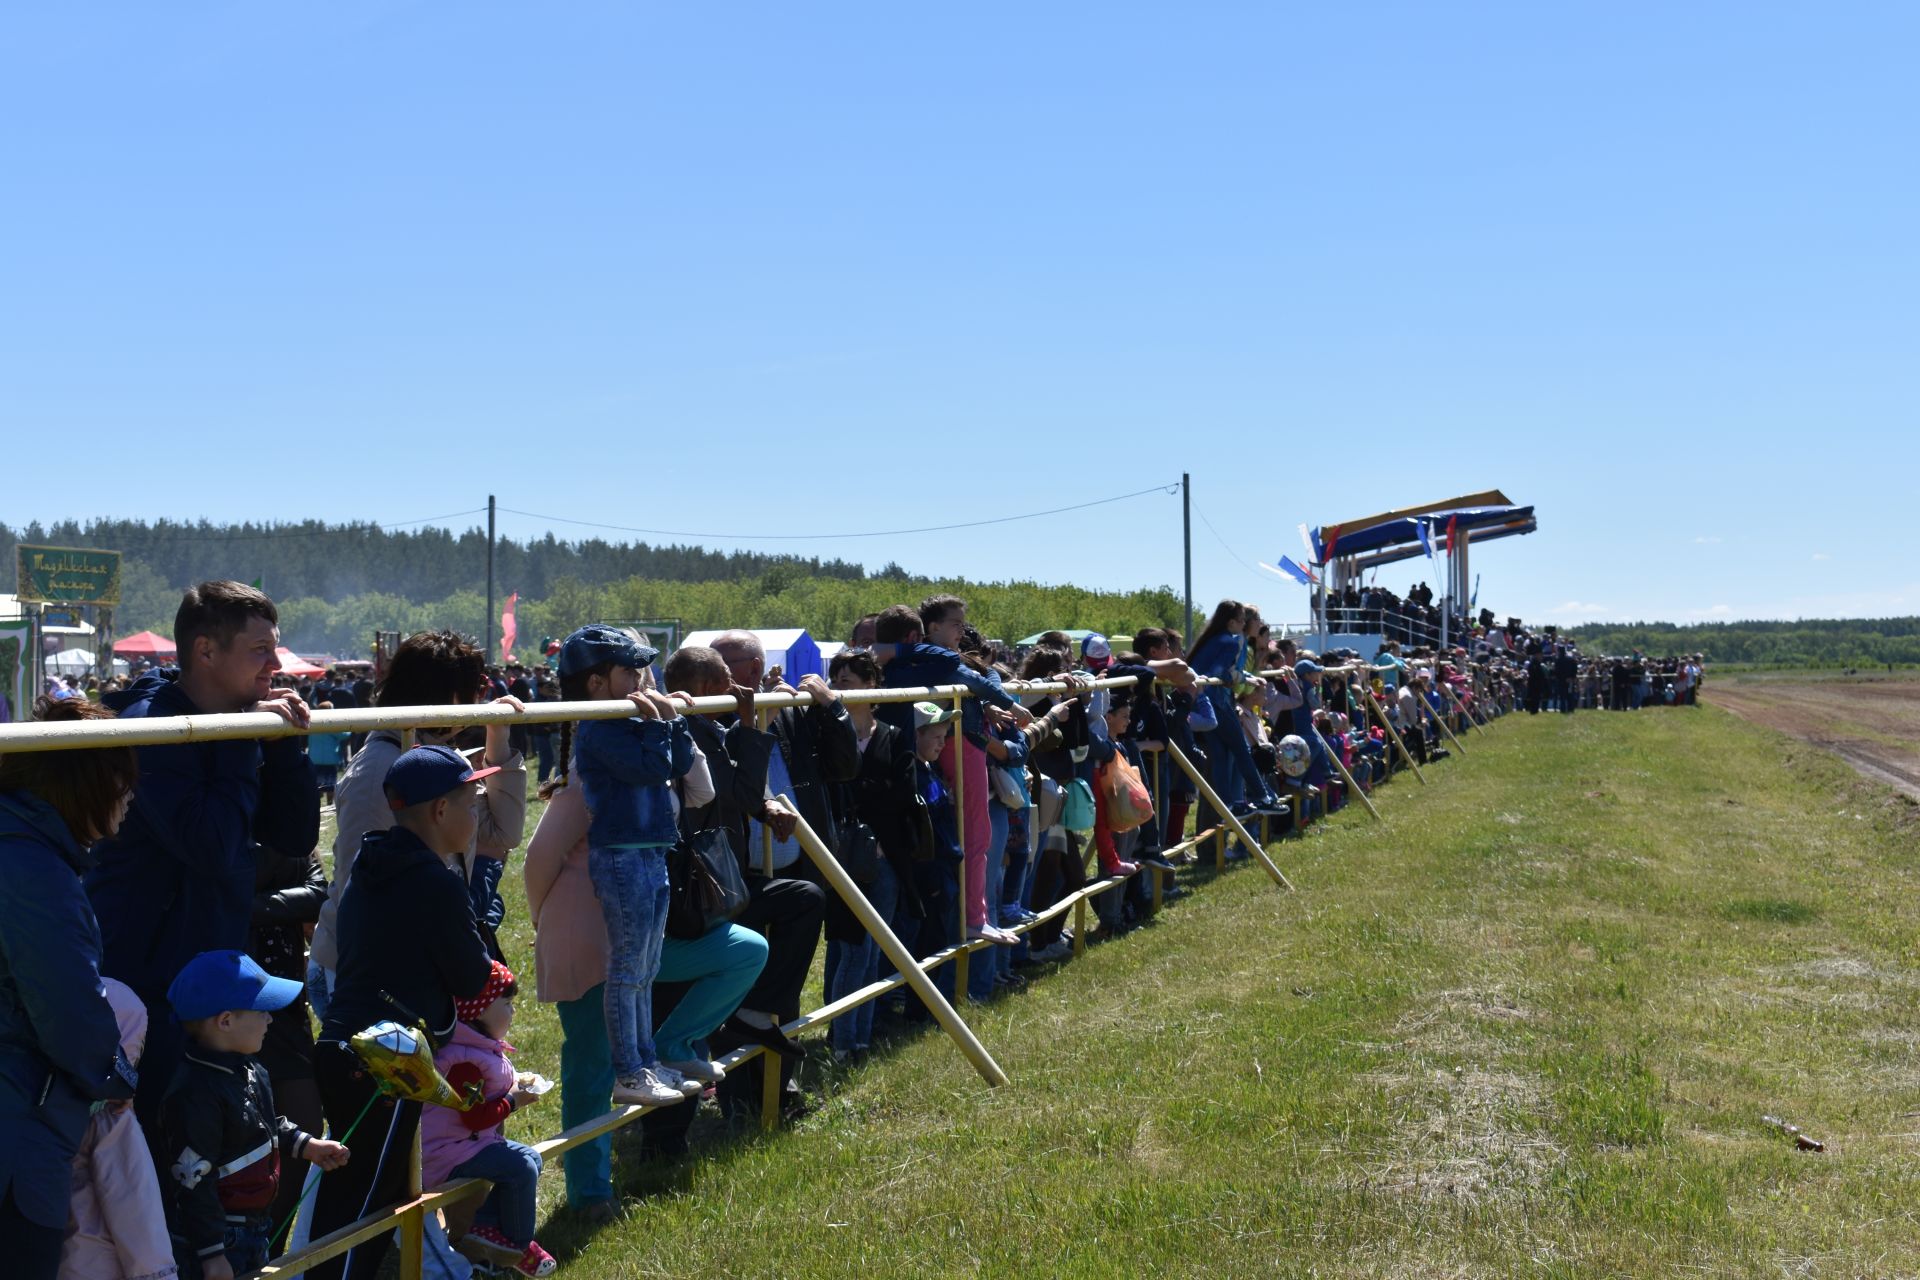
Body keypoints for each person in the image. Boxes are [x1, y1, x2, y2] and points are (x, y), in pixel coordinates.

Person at [87, 581, 320, 1131]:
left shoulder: (232, 720)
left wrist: (281, 745)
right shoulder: (152, 727)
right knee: (157, 1143)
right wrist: (243, 739)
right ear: (205, 651)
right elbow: (212, 846)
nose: (274, 665)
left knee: (214, 1140)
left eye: (275, 647)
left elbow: (294, 836)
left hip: (205, 967)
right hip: (146, 980)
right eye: (259, 650)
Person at [524, 768, 765, 1214]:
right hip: (590, 933)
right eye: (637, 690)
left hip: (648, 933)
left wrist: (674, 729)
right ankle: (590, 1192)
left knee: (744, 951)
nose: (649, 692)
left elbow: (703, 791)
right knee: (593, 1063)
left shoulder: (656, 759)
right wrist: (550, 923)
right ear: (596, 692)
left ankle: (673, 1043)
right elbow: (538, 862)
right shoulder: (585, 780)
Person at [308, 746, 497, 1280]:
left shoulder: (373, 860)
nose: (475, 816)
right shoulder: (436, 882)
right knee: (363, 1214)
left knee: (357, 1198)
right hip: (382, 1066)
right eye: (471, 803)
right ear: (440, 811)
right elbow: (472, 978)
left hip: (350, 1050)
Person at [310, 630, 525, 1017]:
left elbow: (503, 834)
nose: (480, 699)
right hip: (369, 975)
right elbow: (361, 888)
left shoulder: (433, 755)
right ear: (445, 694)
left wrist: (499, 737)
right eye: (473, 689)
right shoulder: (379, 768)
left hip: (414, 964)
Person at [0, 698, 142, 1279]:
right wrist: (116, 1076)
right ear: (86, 781)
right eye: (123, 780)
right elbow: (68, 1011)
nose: (131, 797)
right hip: (15, 1137)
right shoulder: (33, 869)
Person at [559, 625, 699, 1107]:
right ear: (597, 682)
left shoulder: (636, 719)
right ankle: (629, 1070)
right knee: (627, 965)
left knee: (648, 964)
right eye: (631, 670)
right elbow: (649, 769)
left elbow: (678, 762)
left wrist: (675, 719)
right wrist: (660, 723)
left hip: (651, 849)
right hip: (621, 856)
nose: (644, 678)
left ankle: (647, 1057)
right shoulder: (600, 729)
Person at [159, 950, 349, 1280]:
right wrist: (212, 1254)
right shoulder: (194, 1095)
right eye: (261, 1010)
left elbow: (262, 1125)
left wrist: (306, 1146)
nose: (270, 1019)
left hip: (254, 1229)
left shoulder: (249, 1068)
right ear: (226, 1021)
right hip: (219, 1240)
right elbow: (193, 1181)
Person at [420, 961, 555, 1278]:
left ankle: (486, 1228)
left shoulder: (476, 1048)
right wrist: (514, 1100)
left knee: (532, 1159)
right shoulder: (463, 1060)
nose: (513, 1012)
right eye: (506, 1004)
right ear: (478, 1011)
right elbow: (475, 1118)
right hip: (445, 1153)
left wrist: (514, 1084)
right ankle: (519, 1246)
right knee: (520, 1168)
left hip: (466, 1144)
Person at [820, 649, 922, 1060]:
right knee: (849, 947)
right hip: (840, 857)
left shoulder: (894, 736)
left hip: (883, 858)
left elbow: (901, 794)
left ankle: (858, 1036)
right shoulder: (825, 734)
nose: (839, 690)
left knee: (872, 950)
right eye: (836, 682)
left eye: (847, 683)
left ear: (871, 687)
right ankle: (845, 1041)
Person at [58, 979, 177, 1280]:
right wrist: (160, 1275)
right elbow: (134, 1201)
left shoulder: (41, 1103)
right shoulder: (111, 1118)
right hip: (101, 1265)